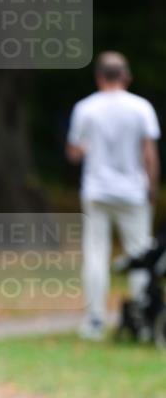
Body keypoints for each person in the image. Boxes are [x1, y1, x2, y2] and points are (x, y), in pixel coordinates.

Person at [66, 51, 161, 340]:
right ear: (126, 76)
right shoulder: (141, 107)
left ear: (98, 77)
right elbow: (149, 153)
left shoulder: (86, 108)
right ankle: (144, 319)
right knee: (141, 254)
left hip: (96, 191)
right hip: (133, 191)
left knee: (95, 255)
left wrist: (86, 149)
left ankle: (95, 320)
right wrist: (152, 188)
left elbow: (74, 152)